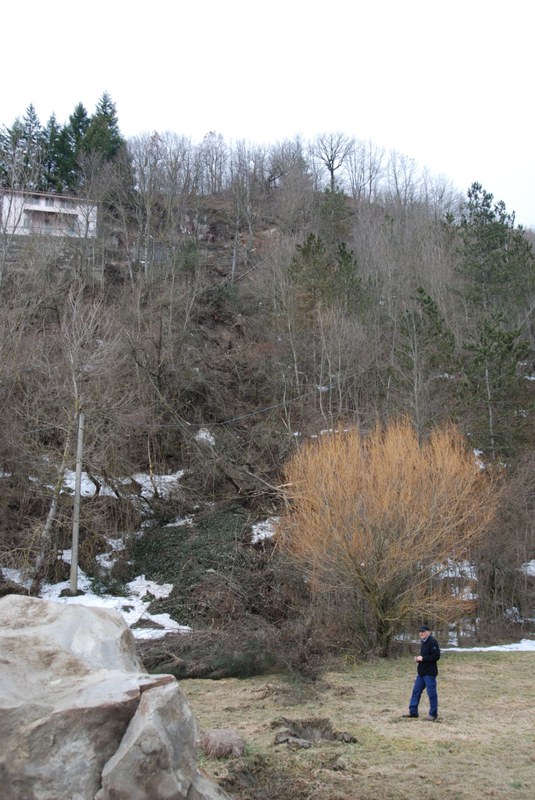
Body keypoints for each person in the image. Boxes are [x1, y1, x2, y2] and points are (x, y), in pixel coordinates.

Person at [402, 624, 440, 721]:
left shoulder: (432, 641)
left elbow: (436, 656)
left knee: (431, 694)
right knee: (416, 692)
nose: (421, 633)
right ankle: (413, 712)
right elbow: (426, 657)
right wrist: (419, 660)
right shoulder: (423, 642)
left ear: (428, 632)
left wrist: (423, 658)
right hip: (421, 673)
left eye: (423, 631)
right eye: (420, 632)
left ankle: (433, 714)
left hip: (430, 673)